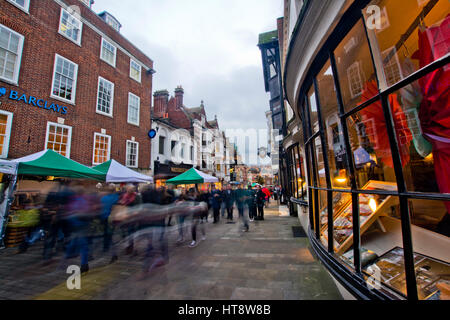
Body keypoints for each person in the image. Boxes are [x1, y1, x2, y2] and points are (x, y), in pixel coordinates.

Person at [99, 184, 119, 252]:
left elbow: (100, 207)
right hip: (111, 217)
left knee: (105, 232)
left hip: (103, 216)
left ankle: (105, 246)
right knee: (109, 232)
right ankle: (108, 246)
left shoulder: (103, 198)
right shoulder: (116, 197)